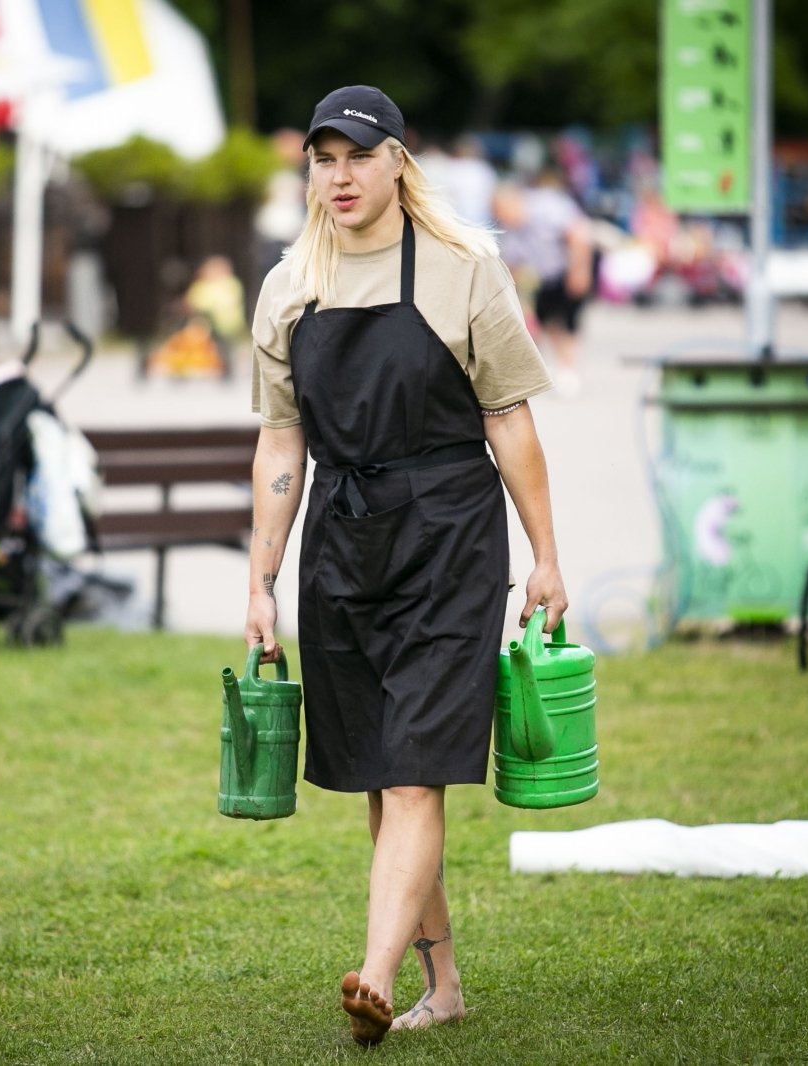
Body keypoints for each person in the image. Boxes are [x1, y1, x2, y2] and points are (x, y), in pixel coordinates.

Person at [245, 85, 568, 1047]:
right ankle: (446, 986)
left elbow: (510, 421)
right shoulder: (288, 287)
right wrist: (260, 582)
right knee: (383, 777)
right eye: (323, 158)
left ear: (398, 163)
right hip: (342, 545)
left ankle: (375, 980)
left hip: (449, 537)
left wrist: (547, 557)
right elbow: (280, 445)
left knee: (418, 771)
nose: (339, 177)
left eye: (357, 156)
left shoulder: (467, 270)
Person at [494, 169, 594, 394]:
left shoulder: (547, 206)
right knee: (546, 321)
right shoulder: (511, 226)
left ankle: (569, 371)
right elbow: (512, 262)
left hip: (569, 266)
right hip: (543, 275)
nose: (503, 218)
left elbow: (579, 235)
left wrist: (580, 271)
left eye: (503, 212)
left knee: (569, 321)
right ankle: (561, 368)